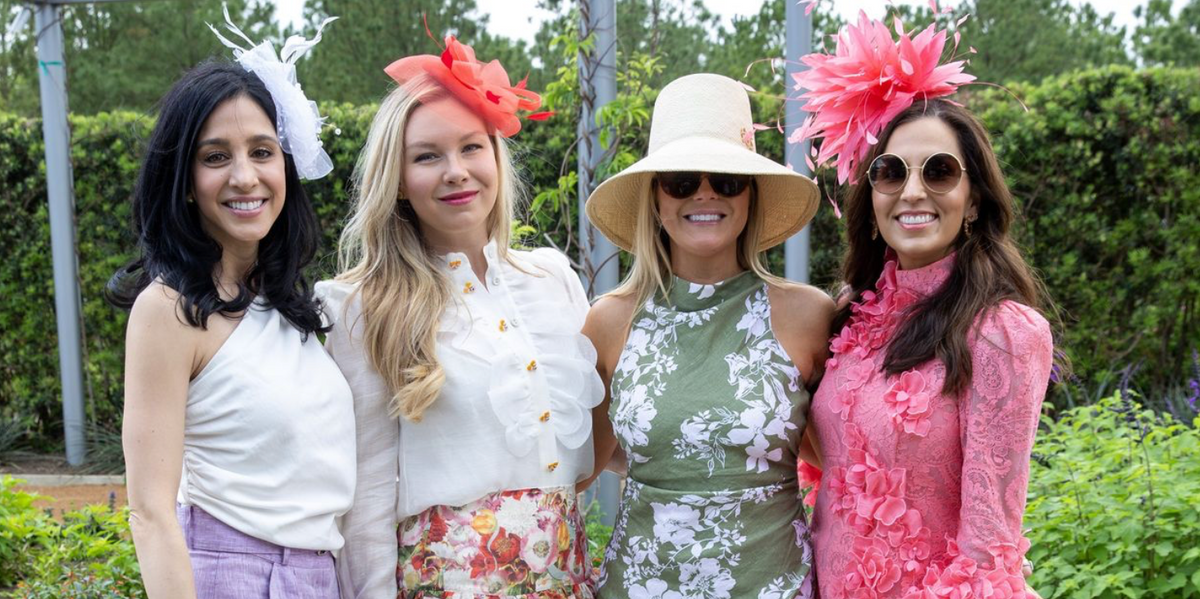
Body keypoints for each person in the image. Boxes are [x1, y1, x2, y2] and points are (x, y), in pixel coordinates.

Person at [320, 35, 602, 598]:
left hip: (565, 575)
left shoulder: (553, 279)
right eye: (427, 155)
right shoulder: (359, 304)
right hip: (443, 582)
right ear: (397, 181)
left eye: (472, 147)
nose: (456, 171)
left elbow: (591, 451)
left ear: (497, 155)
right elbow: (367, 494)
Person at [793, 13, 1058, 599]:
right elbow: (826, 463)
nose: (913, 191)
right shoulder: (850, 318)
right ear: (874, 194)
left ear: (973, 201)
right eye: (891, 172)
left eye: (939, 171)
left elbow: (990, 549)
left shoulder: (1003, 332)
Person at [109, 15, 352, 599]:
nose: (245, 177)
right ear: (186, 179)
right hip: (228, 575)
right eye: (216, 156)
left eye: (262, 151)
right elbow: (149, 511)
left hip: (317, 576)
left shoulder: (291, 308)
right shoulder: (168, 311)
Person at [582, 73, 833, 599]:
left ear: (750, 195)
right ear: (655, 198)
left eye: (725, 179)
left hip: (774, 586)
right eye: (680, 181)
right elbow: (581, 465)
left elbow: (842, 457)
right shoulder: (608, 321)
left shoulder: (808, 316)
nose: (704, 194)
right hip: (639, 585)